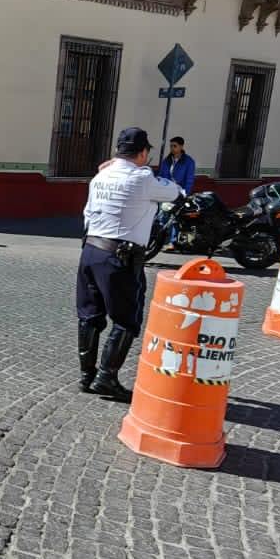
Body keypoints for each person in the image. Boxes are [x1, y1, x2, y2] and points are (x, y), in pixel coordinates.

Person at [77, 127, 184, 401]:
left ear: (116, 151)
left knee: (90, 314)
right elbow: (175, 193)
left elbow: (87, 213)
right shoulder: (143, 178)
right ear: (143, 153)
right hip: (119, 258)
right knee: (126, 320)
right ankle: (106, 377)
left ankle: (86, 375)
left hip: (90, 250)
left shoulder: (100, 175)